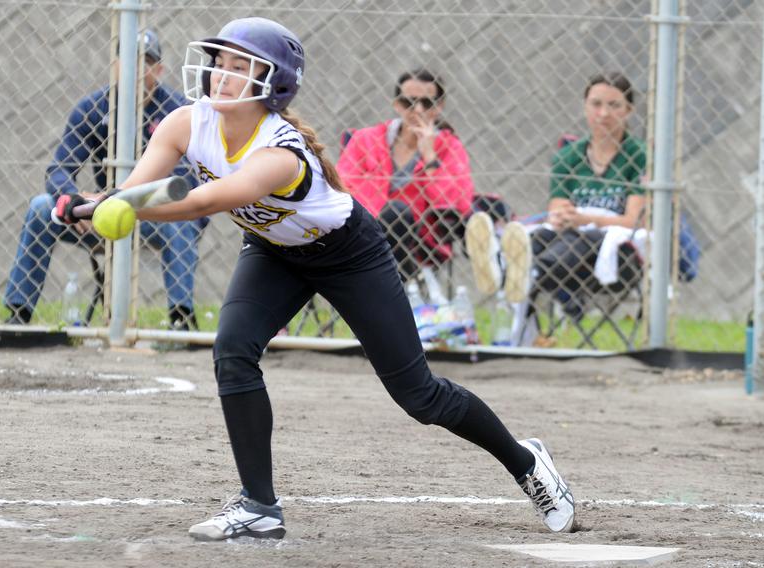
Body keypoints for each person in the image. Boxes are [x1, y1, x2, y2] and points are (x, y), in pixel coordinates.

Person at [60, 18, 575, 540]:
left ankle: (526, 463)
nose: (221, 75)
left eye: (242, 67)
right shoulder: (183, 123)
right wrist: (86, 206)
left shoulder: (278, 154)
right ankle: (259, 506)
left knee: (419, 396)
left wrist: (124, 208)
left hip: (349, 254)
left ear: (274, 84)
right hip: (273, 251)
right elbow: (131, 192)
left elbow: (204, 201)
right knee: (233, 350)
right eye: (221, 62)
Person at [3, 28, 207, 330]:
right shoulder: (92, 109)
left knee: (181, 219)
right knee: (40, 207)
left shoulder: (177, 112)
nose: (136, 69)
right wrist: (71, 197)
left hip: (157, 214)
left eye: (146, 62)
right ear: (115, 66)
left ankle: (181, 320)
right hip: (103, 211)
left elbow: (185, 181)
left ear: (159, 70)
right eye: (128, 60)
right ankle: (18, 316)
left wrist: (126, 199)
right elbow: (59, 168)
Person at [467, 71, 647, 318]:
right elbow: (558, 210)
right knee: (543, 233)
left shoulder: (640, 155)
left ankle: (520, 270)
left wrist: (584, 220)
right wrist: (566, 218)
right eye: (596, 104)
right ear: (585, 106)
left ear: (628, 111)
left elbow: (634, 221)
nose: (603, 113)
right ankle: (506, 263)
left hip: (616, 247)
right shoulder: (569, 155)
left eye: (614, 105)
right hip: (566, 240)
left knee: (580, 237)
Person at [336, 69, 475, 282]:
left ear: (439, 107)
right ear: (397, 105)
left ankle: (389, 290)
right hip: (363, 230)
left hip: (419, 242)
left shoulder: (450, 148)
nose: (417, 110)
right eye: (409, 102)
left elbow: (455, 206)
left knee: (396, 212)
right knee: (390, 213)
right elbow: (341, 188)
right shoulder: (366, 139)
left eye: (427, 103)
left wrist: (430, 159)